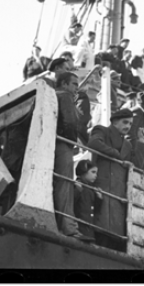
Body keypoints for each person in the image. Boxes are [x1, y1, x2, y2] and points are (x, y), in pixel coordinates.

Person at [88, 108, 144, 250]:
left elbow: (138, 166)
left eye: (130, 124)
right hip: (103, 187)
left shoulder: (127, 144)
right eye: (125, 122)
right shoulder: (101, 131)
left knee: (115, 235)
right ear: (114, 121)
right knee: (100, 229)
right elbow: (93, 144)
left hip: (118, 194)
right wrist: (117, 156)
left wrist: (141, 142)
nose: (128, 126)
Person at [53, 71, 93, 242]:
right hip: (63, 146)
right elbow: (69, 122)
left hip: (54, 144)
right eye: (74, 84)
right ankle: (69, 228)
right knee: (65, 185)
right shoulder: (65, 96)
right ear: (64, 84)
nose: (76, 88)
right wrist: (72, 142)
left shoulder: (53, 96)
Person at [73, 160, 103, 238]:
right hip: (79, 227)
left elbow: (95, 210)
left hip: (88, 229)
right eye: (93, 172)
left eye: (96, 173)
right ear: (83, 171)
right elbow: (71, 202)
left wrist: (99, 199)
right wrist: (77, 191)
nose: (95, 175)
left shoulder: (90, 189)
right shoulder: (77, 186)